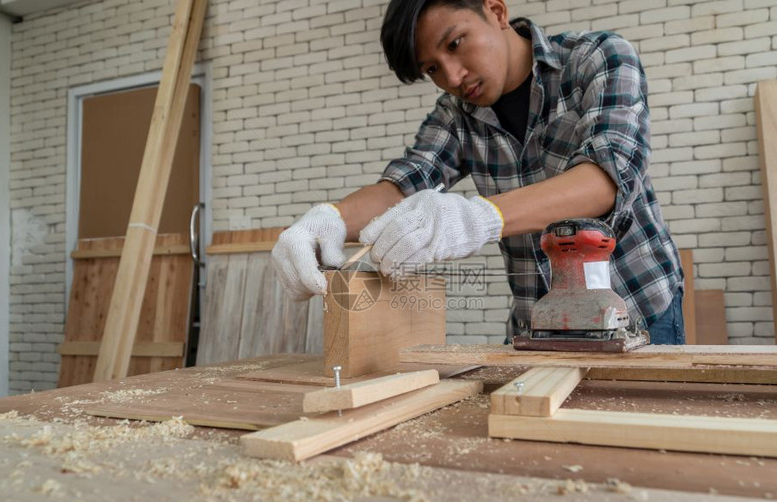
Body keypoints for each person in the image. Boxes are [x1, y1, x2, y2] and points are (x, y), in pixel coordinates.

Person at [273, 0, 684, 344]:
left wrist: (478, 217)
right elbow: (403, 183)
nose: (452, 77)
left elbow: (605, 179)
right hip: (535, 325)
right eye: (432, 69)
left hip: (636, 312)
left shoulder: (597, 58)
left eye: (455, 44)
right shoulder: (456, 115)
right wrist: (328, 218)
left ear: (496, 10)